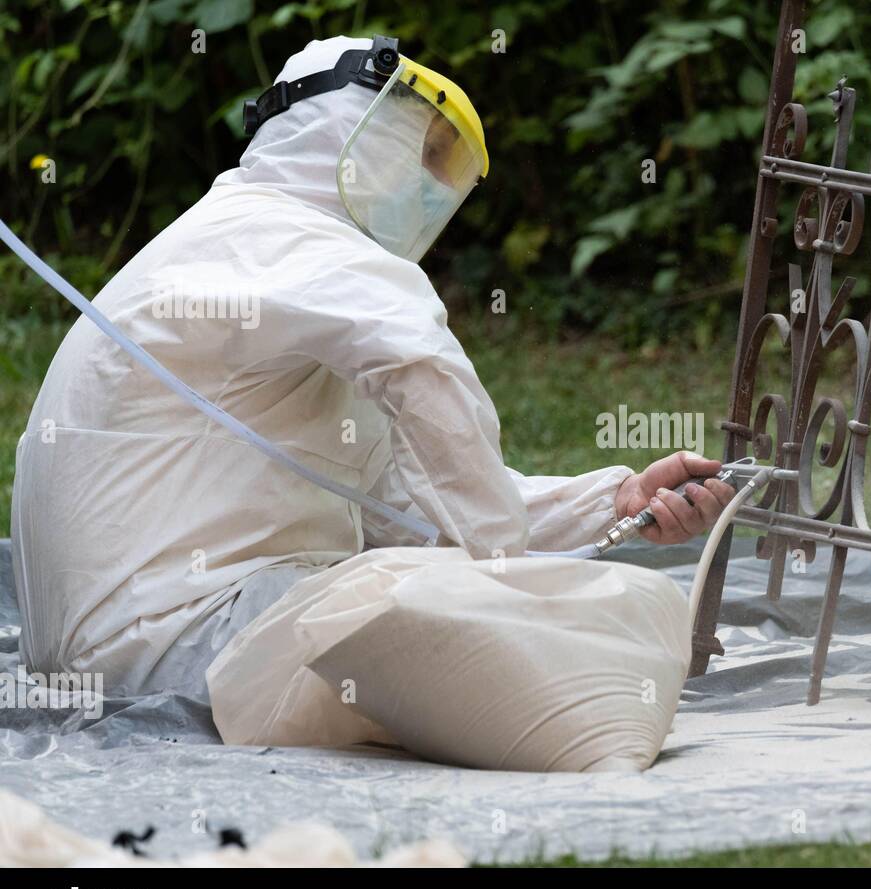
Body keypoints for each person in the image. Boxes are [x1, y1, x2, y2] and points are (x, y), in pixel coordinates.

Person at [11, 35, 735, 708]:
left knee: (516, 610)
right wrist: (512, 587)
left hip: (142, 652)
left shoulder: (259, 263)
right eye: (420, 154)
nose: (426, 189)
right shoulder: (284, 237)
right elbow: (424, 370)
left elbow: (402, 508)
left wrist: (617, 502)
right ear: (350, 130)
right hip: (182, 645)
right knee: (598, 628)